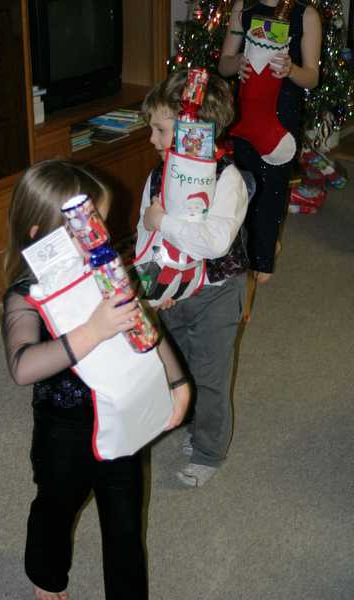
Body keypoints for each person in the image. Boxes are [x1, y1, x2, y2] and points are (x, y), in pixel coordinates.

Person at [0, 159, 190, 600]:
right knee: (56, 507)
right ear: (40, 237)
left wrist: (176, 381)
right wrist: (92, 331)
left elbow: (142, 322)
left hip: (121, 419)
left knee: (125, 523)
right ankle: (46, 575)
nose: (96, 238)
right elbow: (21, 366)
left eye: (98, 225)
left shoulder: (105, 271)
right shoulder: (27, 295)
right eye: (83, 229)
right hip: (63, 431)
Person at [136, 70, 249, 487]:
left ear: (194, 130)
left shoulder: (227, 179)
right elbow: (144, 237)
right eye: (152, 129)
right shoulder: (158, 174)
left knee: (210, 375)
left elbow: (214, 243)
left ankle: (209, 450)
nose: (152, 139)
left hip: (217, 294)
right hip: (173, 293)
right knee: (178, 364)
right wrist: (153, 291)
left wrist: (163, 221)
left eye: (161, 130)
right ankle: (189, 421)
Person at [219, 0, 321, 284]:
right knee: (243, 181)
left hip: (282, 114)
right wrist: (238, 62)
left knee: (273, 183)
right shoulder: (243, 7)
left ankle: (264, 251)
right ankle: (247, 242)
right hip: (246, 112)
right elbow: (224, 64)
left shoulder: (306, 15)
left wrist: (291, 70)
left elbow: (312, 77)